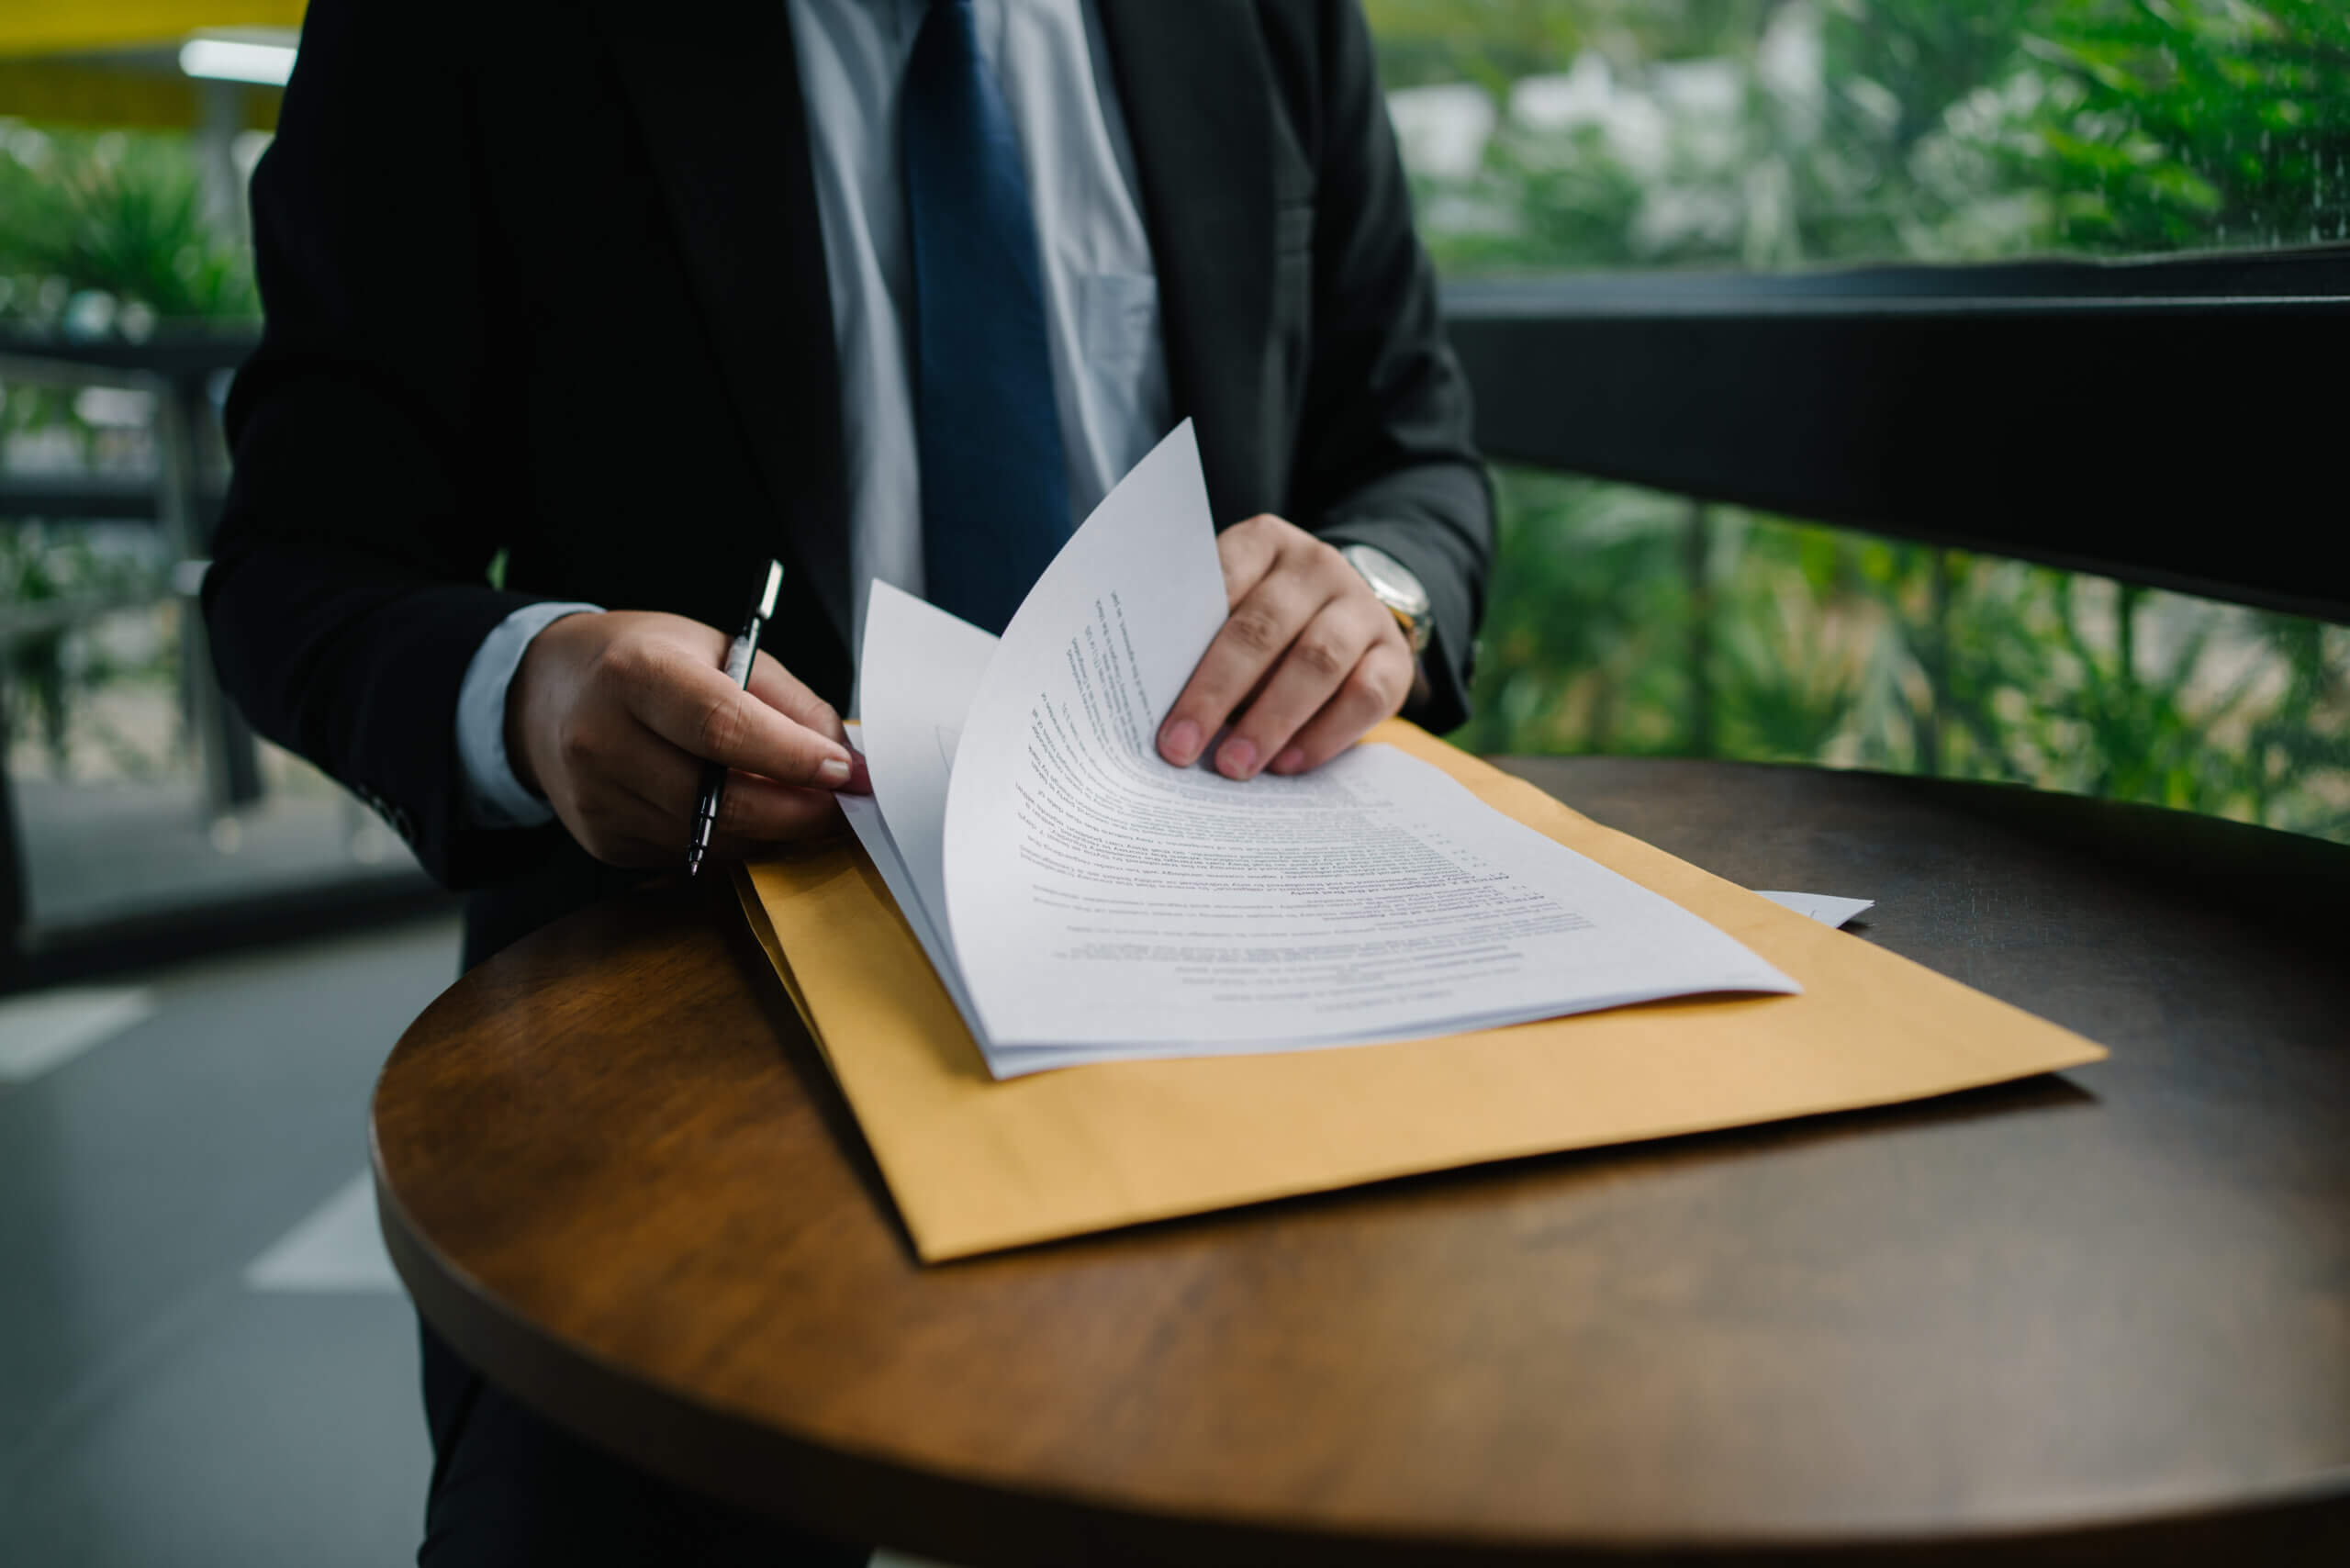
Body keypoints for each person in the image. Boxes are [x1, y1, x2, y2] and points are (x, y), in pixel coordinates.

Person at [206, 0, 1492, 1560]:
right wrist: (536, 689)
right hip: (678, 1035)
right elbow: (299, 564)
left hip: (1239, 997)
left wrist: (1377, 592)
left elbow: (1412, 453)